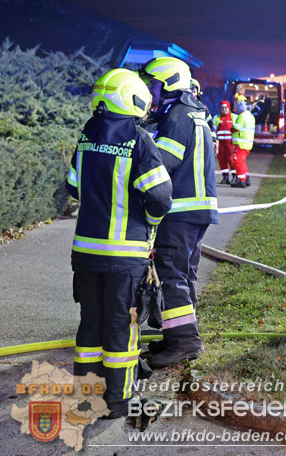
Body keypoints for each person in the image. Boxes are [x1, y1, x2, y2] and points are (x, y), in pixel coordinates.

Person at [67, 68, 172, 417]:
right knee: (120, 329)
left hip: (85, 253)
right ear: (133, 98)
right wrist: (150, 225)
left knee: (90, 325)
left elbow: (72, 186)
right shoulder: (138, 138)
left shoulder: (87, 133)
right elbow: (160, 197)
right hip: (124, 256)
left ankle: (86, 397)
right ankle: (118, 401)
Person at [139, 56, 218, 368]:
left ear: (169, 84)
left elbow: (162, 165)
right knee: (185, 274)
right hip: (199, 209)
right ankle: (179, 334)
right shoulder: (195, 112)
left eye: (153, 84)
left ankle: (184, 342)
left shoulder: (177, 116)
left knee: (172, 275)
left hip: (182, 211)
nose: (149, 90)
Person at [231, 94, 255, 188]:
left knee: (238, 161)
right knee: (242, 161)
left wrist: (231, 128)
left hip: (241, 144)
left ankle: (241, 180)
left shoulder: (242, 117)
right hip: (248, 144)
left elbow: (235, 128)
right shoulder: (250, 116)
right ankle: (246, 178)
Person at [213, 101, 236, 184]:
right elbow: (214, 130)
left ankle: (234, 176)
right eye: (222, 108)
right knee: (221, 160)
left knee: (231, 160)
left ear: (229, 108)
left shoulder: (234, 117)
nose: (224, 109)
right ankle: (225, 177)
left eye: (226, 107)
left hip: (231, 143)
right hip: (221, 143)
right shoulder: (217, 118)